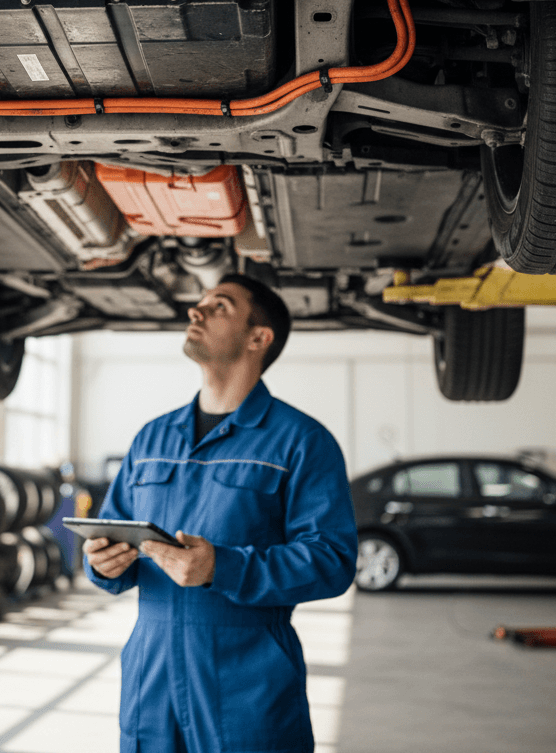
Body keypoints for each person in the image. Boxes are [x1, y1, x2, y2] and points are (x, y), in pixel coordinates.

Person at [84, 274, 357, 753]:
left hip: (248, 684)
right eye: (200, 303)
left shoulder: (301, 440)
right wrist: (101, 564)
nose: (196, 312)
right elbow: (113, 537)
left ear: (259, 338)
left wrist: (222, 566)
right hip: (152, 679)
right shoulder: (152, 440)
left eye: (220, 306)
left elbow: (332, 560)